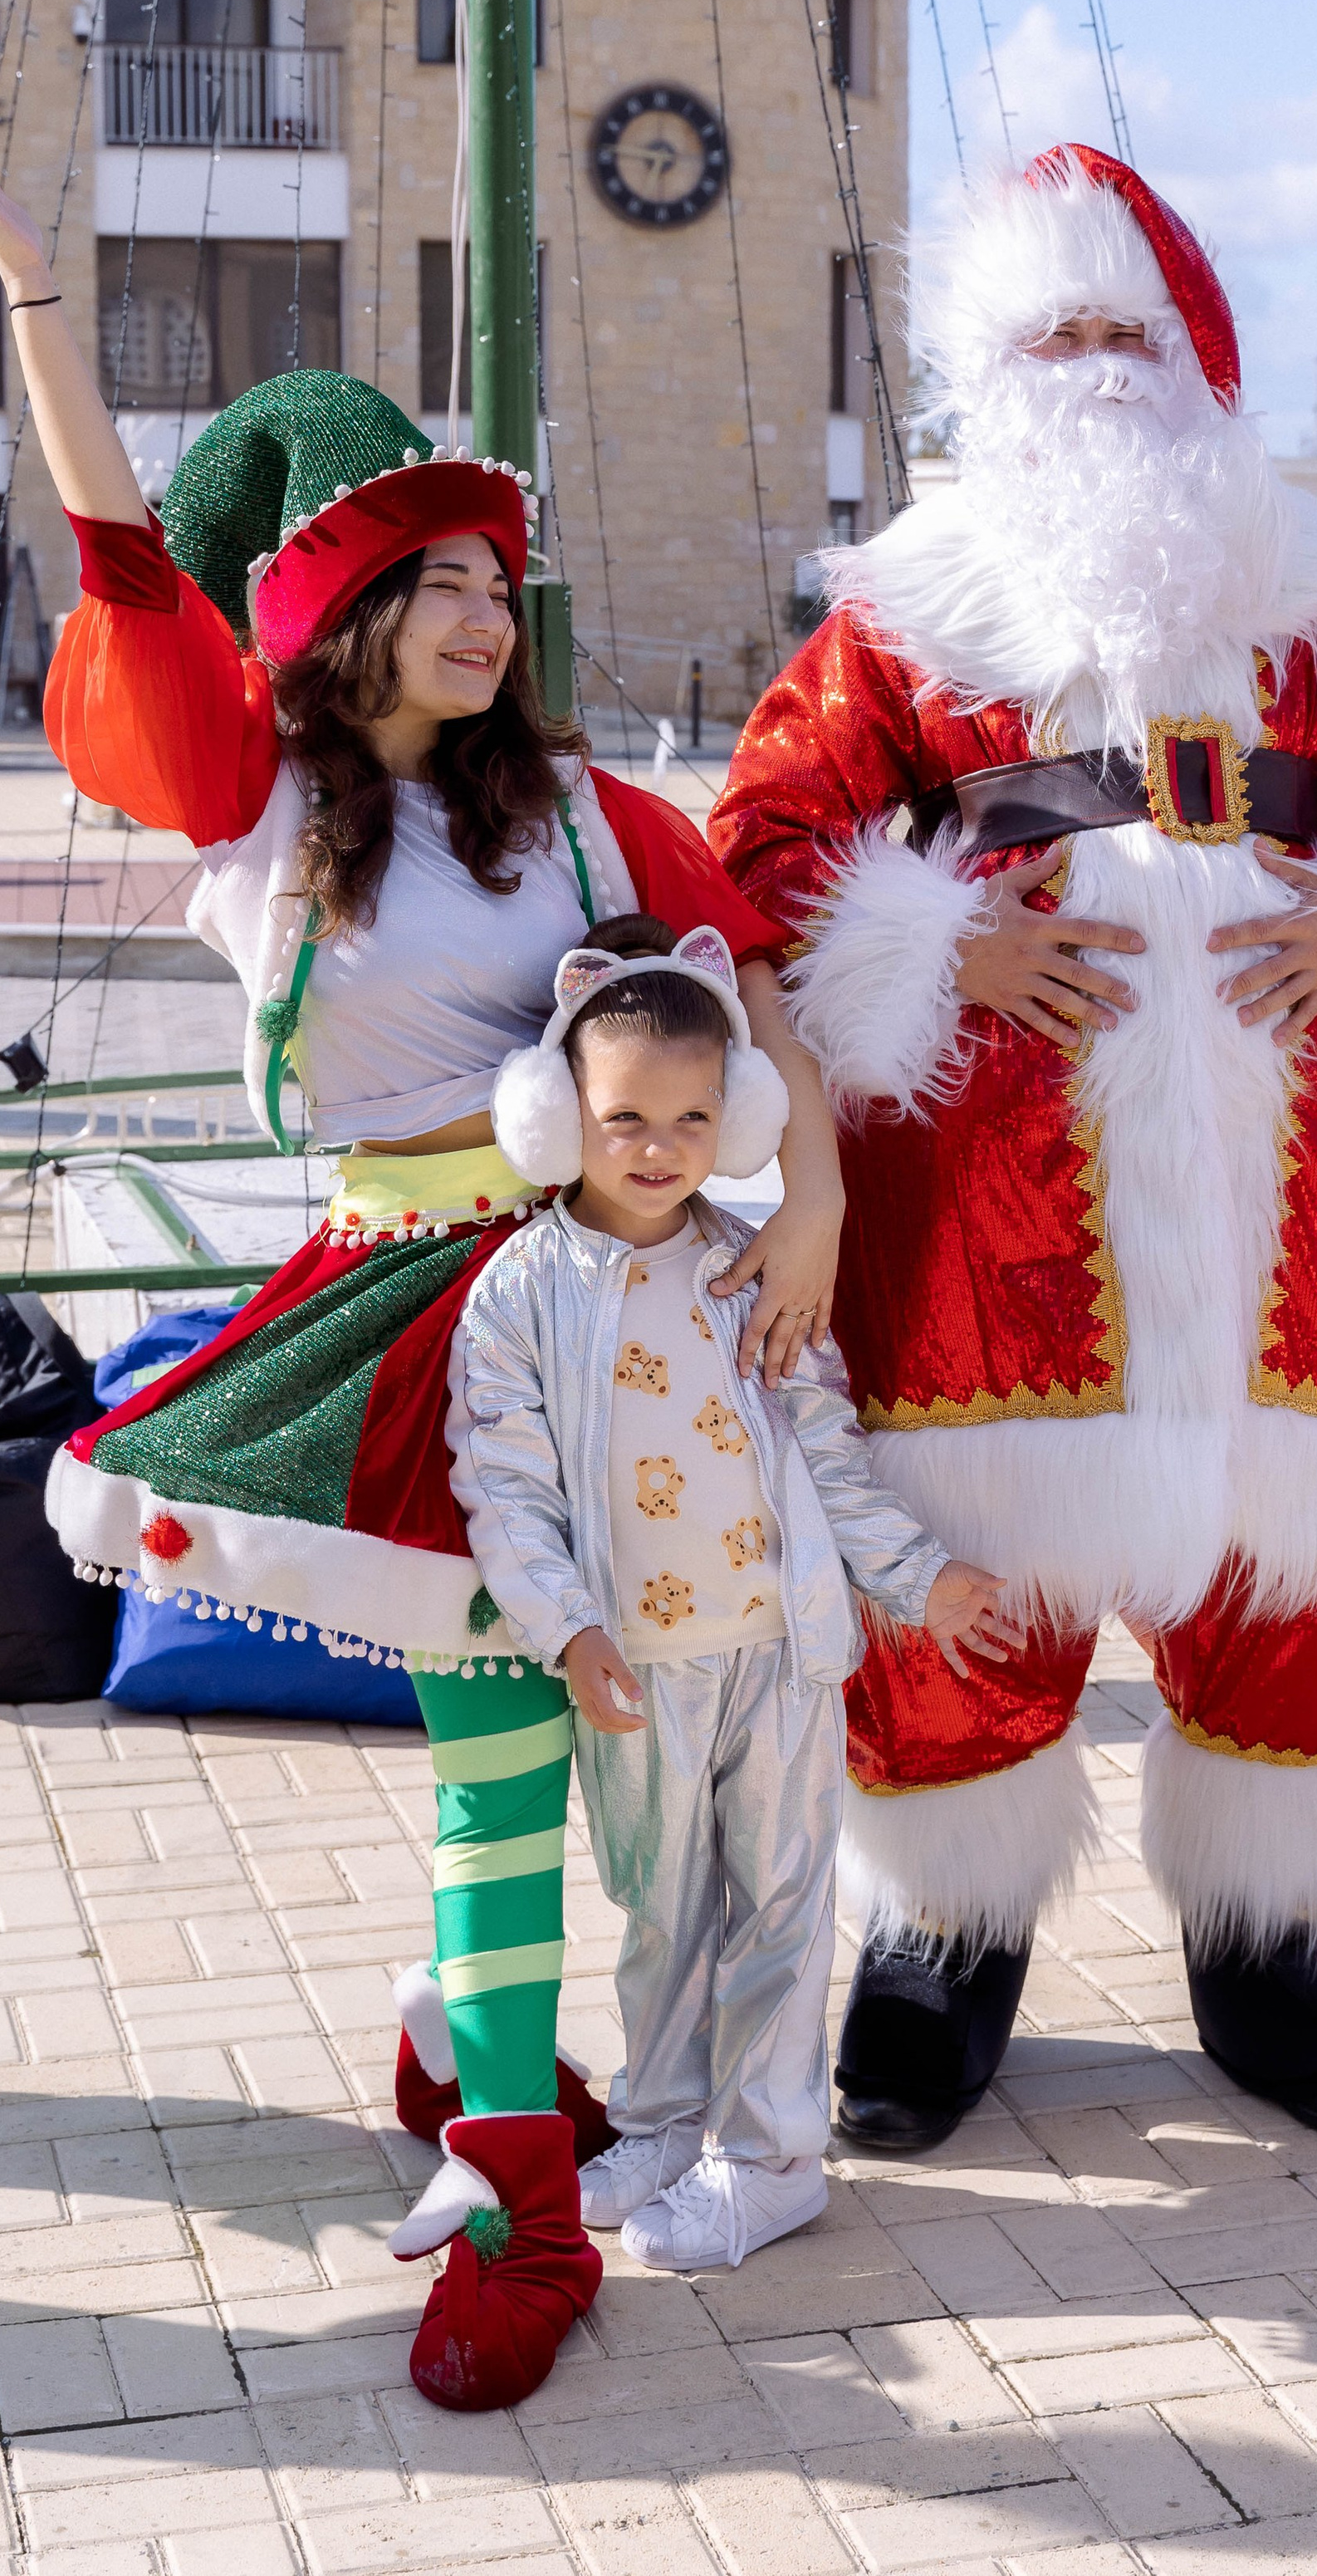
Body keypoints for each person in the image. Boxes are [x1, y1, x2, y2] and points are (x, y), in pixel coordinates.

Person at [0, 111, 848, 2411]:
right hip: (399, 1303)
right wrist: (38, 287)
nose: (485, 610)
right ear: (340, 611)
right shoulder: (260, 795)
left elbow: (749, 999)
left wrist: (803, 1199)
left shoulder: (577, 810)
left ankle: (480, 2034)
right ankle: (518, 2160)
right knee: (499, 1713)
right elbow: (121, 545)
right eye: (441, 575)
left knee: (630, 1722)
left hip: (603, 1305)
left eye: (500, 583)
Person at [711, 145, 1317, 2152]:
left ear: (1188, 352)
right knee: (973, 1563)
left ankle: (1271, 1934)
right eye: (1044, 334)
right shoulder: (903, 599)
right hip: (989, 1179)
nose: (1086, 366)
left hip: (1298, 1166)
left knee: (1292, 1558)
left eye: (1117, 329)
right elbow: (768, 833)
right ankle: (946, 1937)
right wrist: (945, 937)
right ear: (986, 372)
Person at [399, 917, 1008, 2274]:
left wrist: (915, 1575)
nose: (657, 1144)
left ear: (730, 1114)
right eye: (624, 1116)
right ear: (562, 1112)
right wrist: (568, 1628)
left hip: (777, 1657)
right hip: (641, 1666)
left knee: (778, 1906)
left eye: (690, 1113)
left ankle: (773, 2157)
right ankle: (667, 2121)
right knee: (662, 1913)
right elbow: (504, 1486)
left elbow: (828, 1451)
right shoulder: (518, 1293)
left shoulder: (757, 1264)